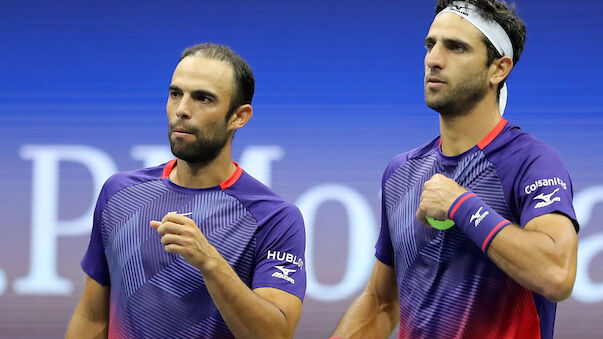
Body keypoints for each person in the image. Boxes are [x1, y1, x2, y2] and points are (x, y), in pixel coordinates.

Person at [331, 1, 579, 338]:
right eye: (431, 44)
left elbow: (557, 275)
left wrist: (462, 206)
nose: (433, 59)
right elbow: (380, 305)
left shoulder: (532, 162)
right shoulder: (401, 173)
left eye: (456, 47)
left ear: (498, 69)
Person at [66, 43, 306, 339]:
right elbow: (92, 318)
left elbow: (277, 334)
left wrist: (210, 262)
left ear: (239, 117)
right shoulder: (119, 194)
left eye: (203, 98)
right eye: (175, 94)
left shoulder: (275, 217)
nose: (181, 110)